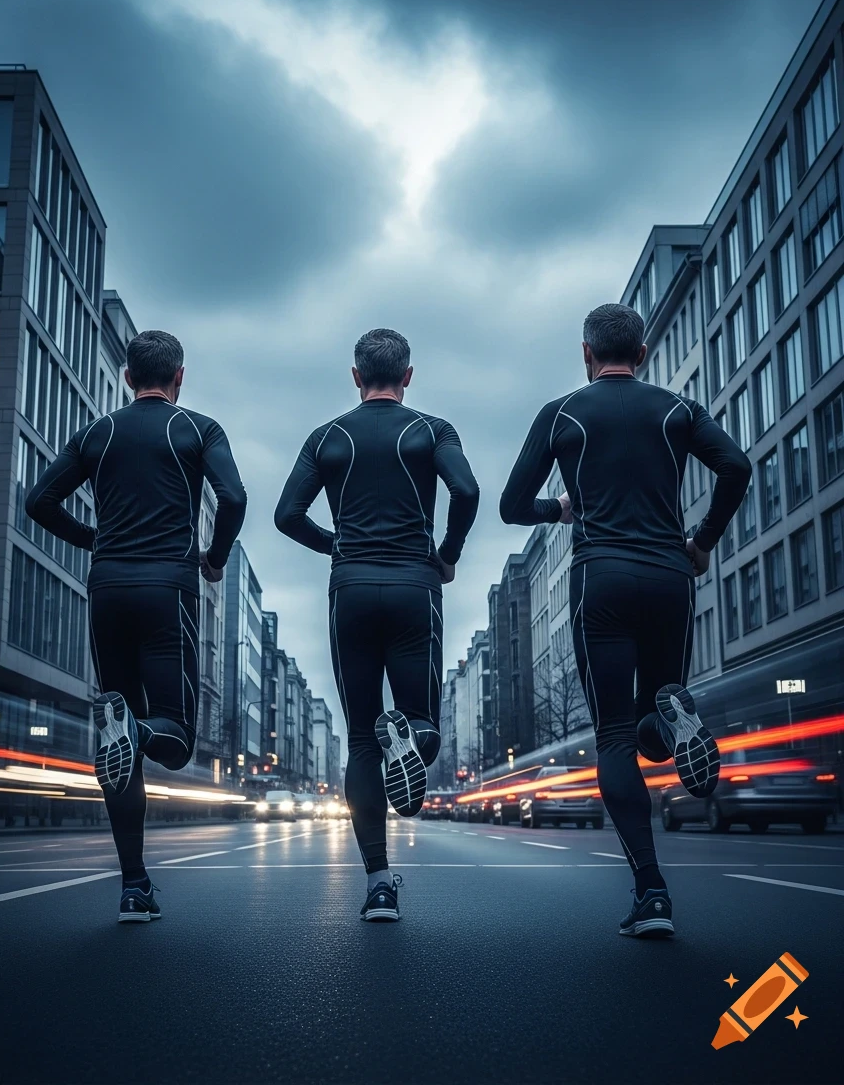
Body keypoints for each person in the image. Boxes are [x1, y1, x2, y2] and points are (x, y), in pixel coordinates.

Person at [500, 303, 751, 938]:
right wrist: (703, 541)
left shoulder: (562, 413)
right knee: (655, 719)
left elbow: (510, 505)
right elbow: (737, 466)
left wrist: (562, 509)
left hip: (601, 579)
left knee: (614, 737)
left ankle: (651, 892)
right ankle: (673, 716)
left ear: (586, 354)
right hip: (670, 575)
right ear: (641, 354)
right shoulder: (678, 409)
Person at [25, 330, 247, 922]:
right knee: (174, 737)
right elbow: (233, 497)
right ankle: (139, 732)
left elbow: (39, 501)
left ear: (127, 378)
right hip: (168, 589)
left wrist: (94, 539)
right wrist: (215, 558)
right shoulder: (198, 429)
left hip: (108, 590)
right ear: (180, 377)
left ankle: (133, 886)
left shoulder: (97, 433)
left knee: (114, 730)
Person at [275, 328, 479, 921]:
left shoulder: (327, 437)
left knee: (362, 738)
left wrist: (337, 544)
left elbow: (287, 515)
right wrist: (447, 554)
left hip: (352, 590)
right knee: (422, 718)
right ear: (408, 375)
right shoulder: (433, 430)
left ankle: (380, 886)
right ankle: (411, 737)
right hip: (416, 586)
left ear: (355, 376)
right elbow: (466, 490)